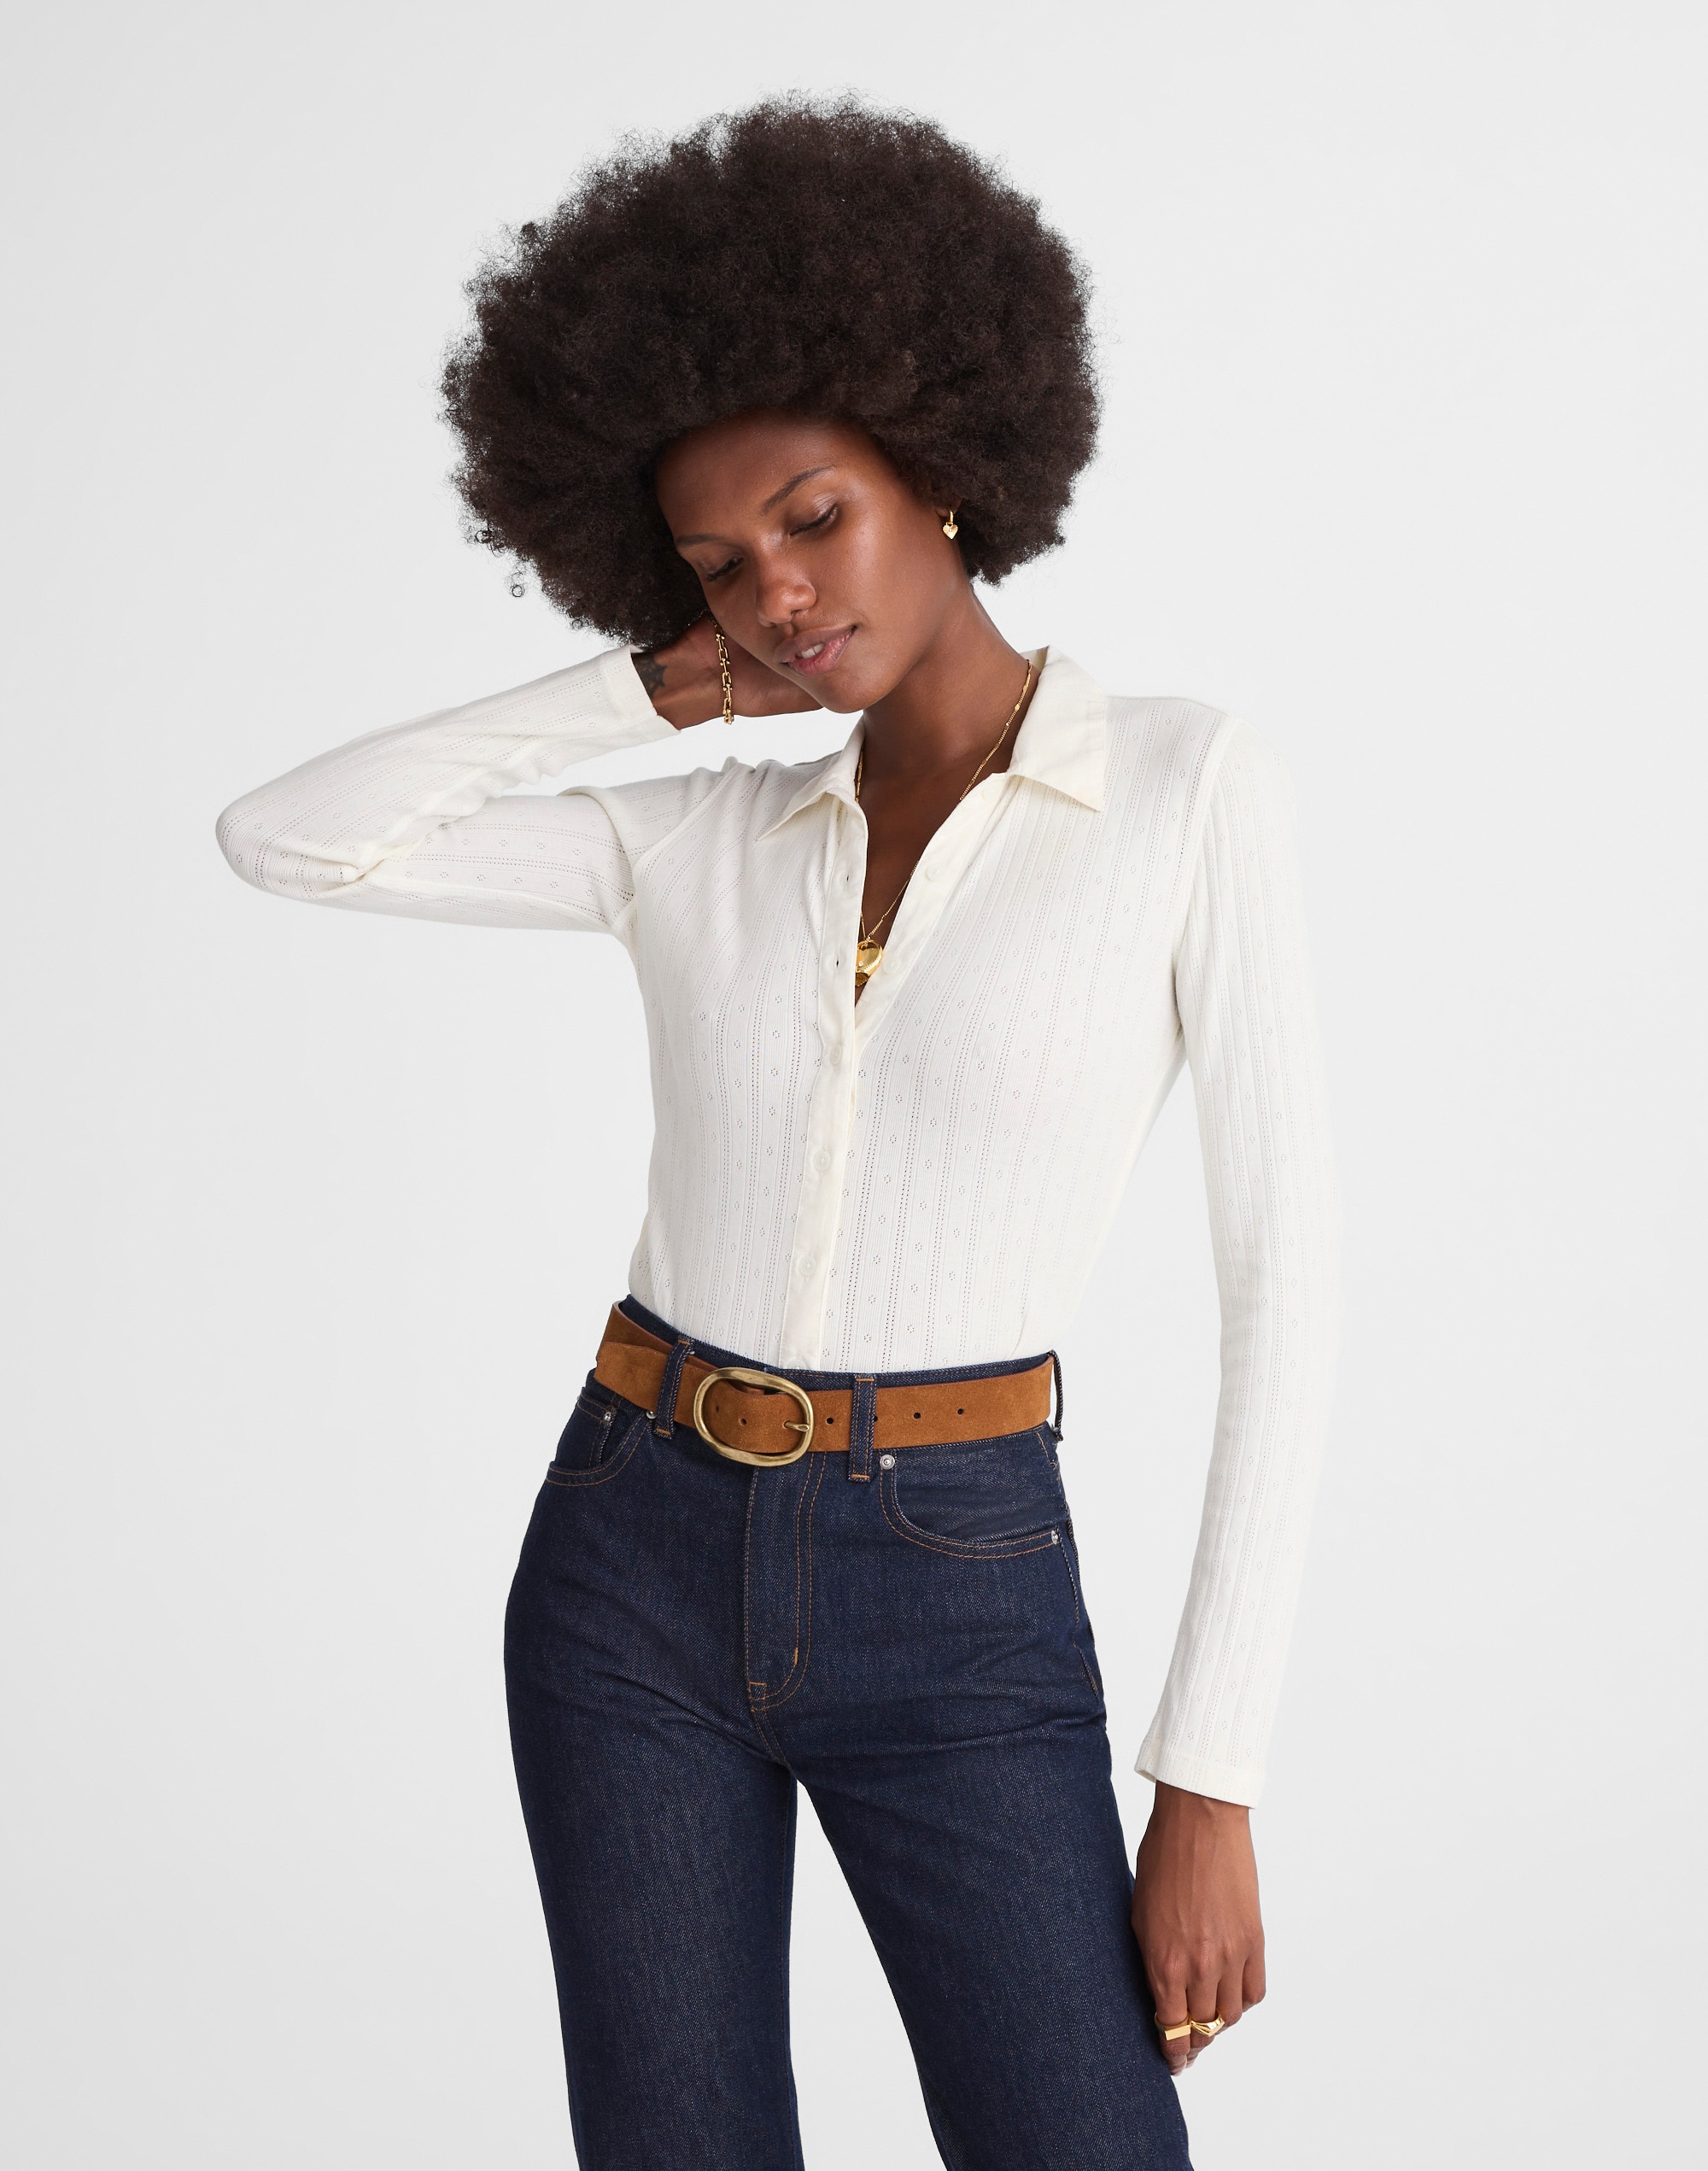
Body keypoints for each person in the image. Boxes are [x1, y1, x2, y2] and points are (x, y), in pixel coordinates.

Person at [216, 95, 1342, 2171]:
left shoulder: (1186, 791)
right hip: (626, 1557)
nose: (784, 592)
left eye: (814, 518)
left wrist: (1212, 1774)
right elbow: (288, 839)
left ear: (940, 461)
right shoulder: (703, 839)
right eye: (722, 564)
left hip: (960, 1577)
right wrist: (645, 695)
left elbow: (1289, 1291)